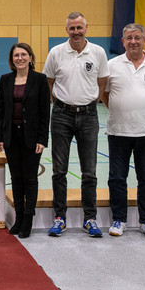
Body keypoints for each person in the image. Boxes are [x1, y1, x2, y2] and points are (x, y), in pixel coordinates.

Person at [101, 23, 145, 239]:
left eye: (137, 38)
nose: (133, 42)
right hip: (118, 132)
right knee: (117, 178)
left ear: (144, 40)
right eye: (129, 38)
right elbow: (104, 94)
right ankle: (119, 220)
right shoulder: (111, 65)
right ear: (122, 42)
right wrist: (121, 111)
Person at [43, 12, 108, 238]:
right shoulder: (56, 52)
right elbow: (49, 82)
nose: (76, 32)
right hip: (61, 115)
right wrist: (60, 104)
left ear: (86, 27)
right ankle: (59, 218)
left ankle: (90, 219)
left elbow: (102, 82)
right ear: (67, 30)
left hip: (89, 116)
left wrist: (91, 102)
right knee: (59, 170)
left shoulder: (98, 52)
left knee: (89, 171)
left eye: (79, 27)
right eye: (72, 28)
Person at [0, 43, 50, 238]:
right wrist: (0, 136)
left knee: (30, 179)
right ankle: (18, 218)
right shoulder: (5, 79)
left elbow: (45, 111)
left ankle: (28, 219)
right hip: (11, 136)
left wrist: (42, 138)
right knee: (16, 179)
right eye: (16, 55)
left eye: (23, 54)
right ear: (12, 59)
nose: (20, 58)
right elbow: (0, 110)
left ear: (30, 57)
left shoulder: (40, 80)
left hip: (32, 137)